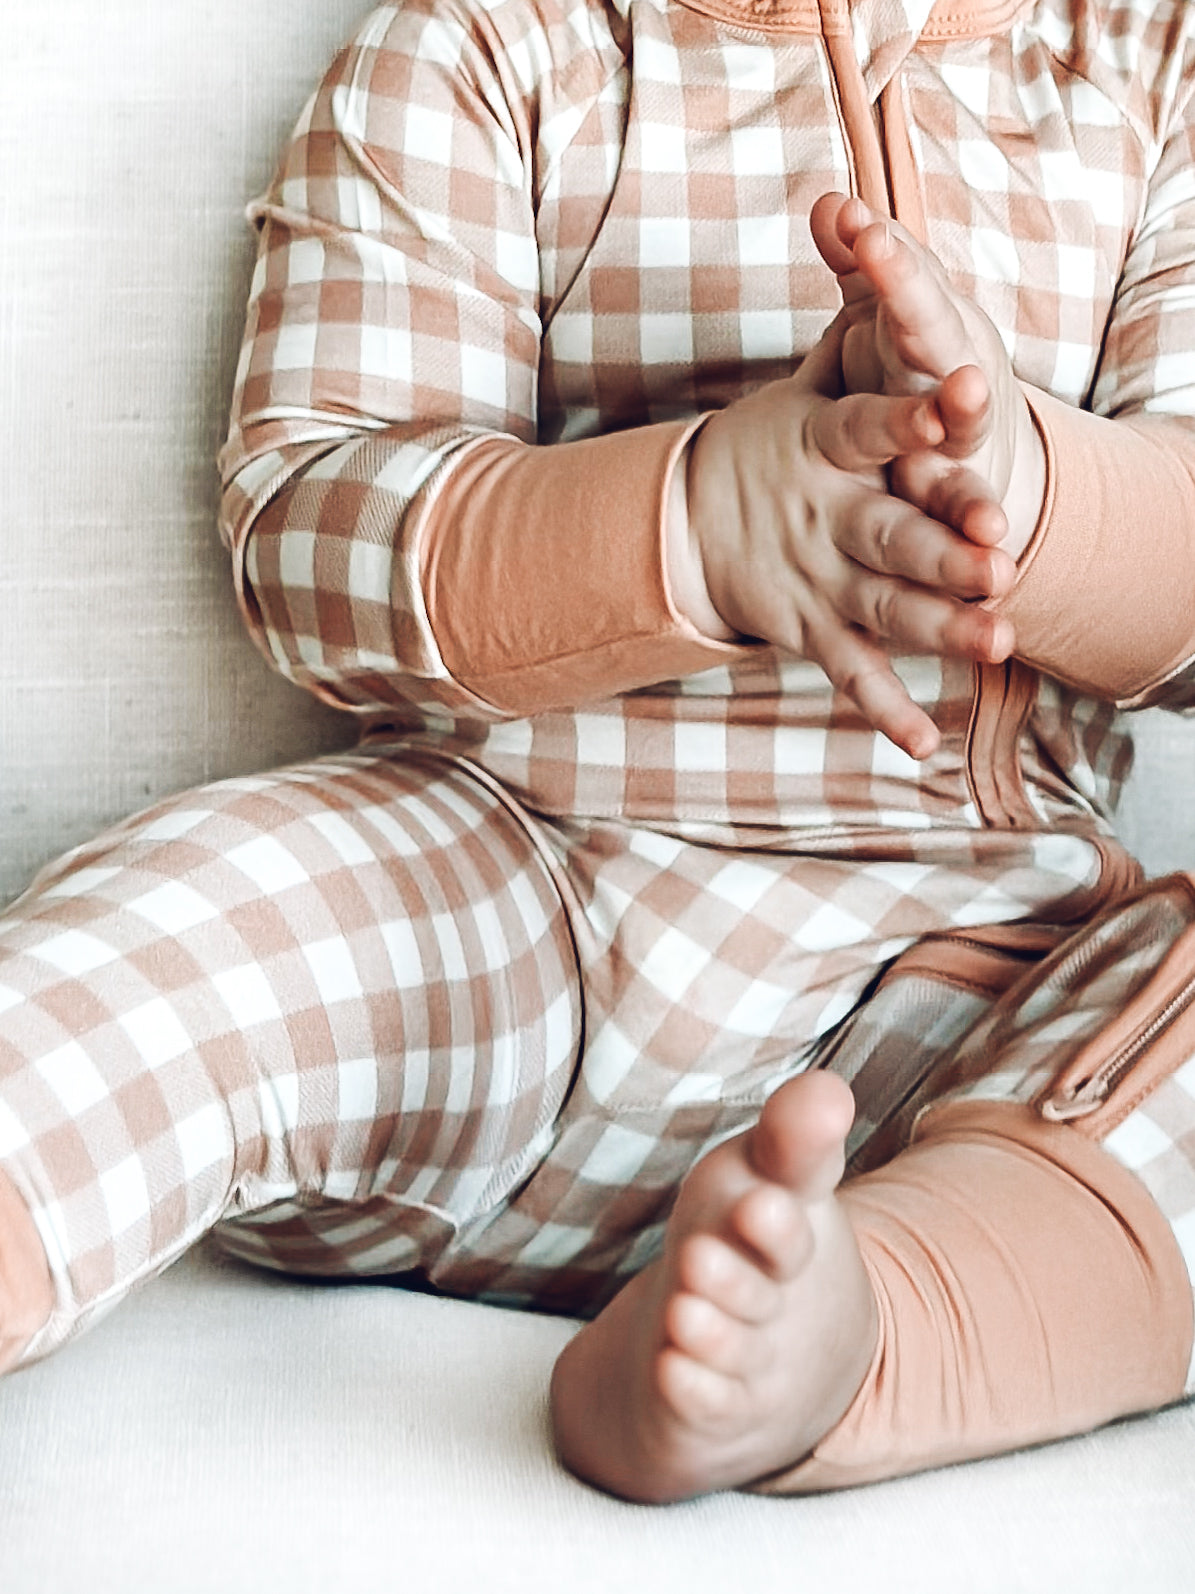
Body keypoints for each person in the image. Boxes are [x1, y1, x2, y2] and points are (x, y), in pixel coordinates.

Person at [2, 0, 1195, 1502]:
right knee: (229, 900)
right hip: (516, 915)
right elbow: (310, 534)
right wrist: (692, 526)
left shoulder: (1153, 72)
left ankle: (834, 1326)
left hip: (972, 1001)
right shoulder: (489, 48)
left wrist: (1030, 491)